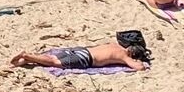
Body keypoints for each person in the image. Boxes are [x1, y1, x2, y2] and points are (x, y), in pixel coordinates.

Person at [10, 32, 149, 71]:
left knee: (52, 57)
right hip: (86, 58)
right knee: (55, 62)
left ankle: (28, 60)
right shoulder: (124, 55)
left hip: (81, 50)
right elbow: (140, 68)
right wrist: (138, 62)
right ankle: (26, 55)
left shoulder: (115, 45)